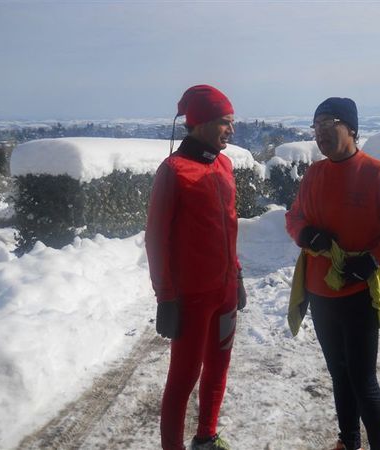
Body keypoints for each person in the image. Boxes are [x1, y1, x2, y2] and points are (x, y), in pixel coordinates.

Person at [285, 97, 380, 450]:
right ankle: (348, 442)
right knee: (339, 374)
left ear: (351, 128)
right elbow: (294, 216)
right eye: (315, 126)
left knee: (363, 381)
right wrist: (305, 234)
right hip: (320, 294)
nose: (320, 133)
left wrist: (373, 259)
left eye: (328, 123)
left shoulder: (378, 175)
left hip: (358, 295)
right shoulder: (314, 174)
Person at [145, 84, 247, 450]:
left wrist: (236, 275)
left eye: (232, 122)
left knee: (218, 369)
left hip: (223, 293)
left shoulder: (224, 164)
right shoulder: (174, 171)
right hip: (191, 298)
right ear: (200, 122)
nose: (231, 130)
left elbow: (229, 226)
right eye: (224, 122)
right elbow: (156, 240)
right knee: (183, 378)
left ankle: (206, 436)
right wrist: (166, 297)